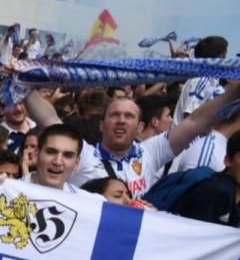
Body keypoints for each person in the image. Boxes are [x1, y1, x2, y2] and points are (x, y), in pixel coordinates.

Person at [24, 81, 240, 198]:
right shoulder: (83, 154)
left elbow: (194, 123)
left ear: (140, 127)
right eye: (114, 115)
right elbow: (49, 118)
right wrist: (20, 86)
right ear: (102, 124)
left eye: (129, 116)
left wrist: (233, 93)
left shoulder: (150, 152)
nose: (121, 121)